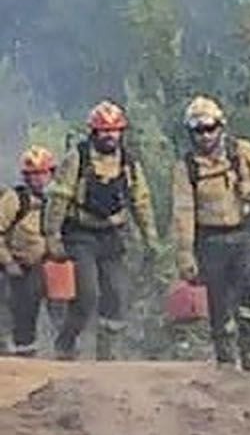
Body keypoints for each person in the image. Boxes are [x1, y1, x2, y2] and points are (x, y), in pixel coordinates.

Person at [45, 102, 157, 361]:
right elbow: (59, 198)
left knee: (116, 293)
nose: (110, 136)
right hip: (81, 234)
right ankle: (66, 342)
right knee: (87, 294)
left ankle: (107, 355)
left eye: (115, 130)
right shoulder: (78, 158)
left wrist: (151, 238)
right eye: (104, 130)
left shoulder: (128, 162)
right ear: (93, 132)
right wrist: (52, 236)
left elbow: (141, 200)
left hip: (112, 234)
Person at [170, 96, 250, 370]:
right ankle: (225, 356)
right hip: (209, 240)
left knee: (248, 292)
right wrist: (185, 255)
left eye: (210, 128)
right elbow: (183, 214)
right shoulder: (186, 168)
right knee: (219, 298)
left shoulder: (242, 152)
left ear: (221, 127)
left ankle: (247, 351)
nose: (205, 136)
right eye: (199, 131)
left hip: (244, 233)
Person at [1, 146, 57, 356]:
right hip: (15, 265)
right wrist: (8, 262)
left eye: (43, 173)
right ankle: (19, 355)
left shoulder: (57, 201)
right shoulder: (15, 199)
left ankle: (64, 348)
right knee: (19, 309)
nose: (39, 179)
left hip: (44, 264)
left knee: (48, 305)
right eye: (33, 175)